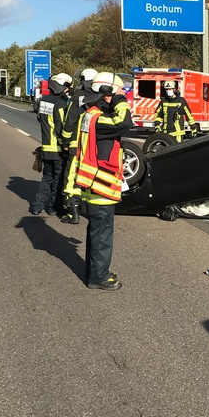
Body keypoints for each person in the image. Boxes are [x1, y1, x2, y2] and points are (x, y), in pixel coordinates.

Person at [64, 71, 133, 291]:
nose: (124, 95)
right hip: (100, 187)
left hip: (92, 184)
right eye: (120, 92)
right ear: (107, 93)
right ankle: (99, 278)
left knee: (96, 233)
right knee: (102, 236)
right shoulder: (99, 119)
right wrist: (120, 100)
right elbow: (124, 123)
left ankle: (95, 272)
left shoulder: (91, 114)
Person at [59, 67, 98, 224]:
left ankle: (72, 212)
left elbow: (70, 120)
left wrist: (65, 142)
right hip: (95, 147)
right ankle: (92, 209)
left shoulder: (78, 96)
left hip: (77, 145)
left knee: (72, 178)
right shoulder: (103, 96)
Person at [30, 72, 72, 216]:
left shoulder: (43, 101)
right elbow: (61, 126)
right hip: (58, 149)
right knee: (58, 179)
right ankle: (54, 208)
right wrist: (65, 145)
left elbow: (39, 119)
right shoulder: (61, 104)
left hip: (46, 147)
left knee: (47, 177)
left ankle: (36, 206)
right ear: (64, 87)